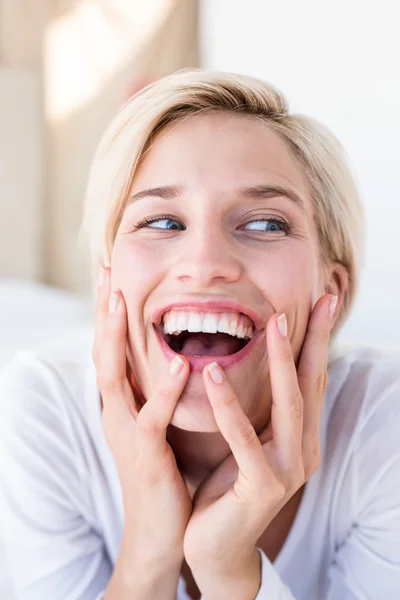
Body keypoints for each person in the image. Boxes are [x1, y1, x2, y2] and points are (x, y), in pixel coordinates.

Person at [0, 69, 399, 600]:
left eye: (265, 224)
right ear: (107, 279)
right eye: (162, 222)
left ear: (331, 291)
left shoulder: (383, 426)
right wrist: (148, 552)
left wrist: (228, 568)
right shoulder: (40, 408)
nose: (205, 264)